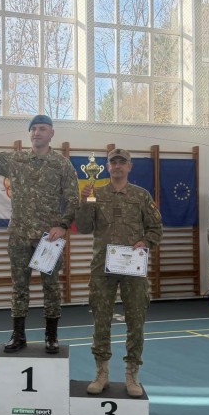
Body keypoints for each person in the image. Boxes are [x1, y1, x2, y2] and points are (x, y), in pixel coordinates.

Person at [0, 112, 79, 353]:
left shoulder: (62, 164)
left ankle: (51, 336)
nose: (37, 132)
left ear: (51, 133)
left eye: (42, 128)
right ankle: (18, 335)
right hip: (19, 235)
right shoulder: (16, 159)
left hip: (48, 238)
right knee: (19, 287)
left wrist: (63, 225)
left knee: (51, 288)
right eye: (33, 129)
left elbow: (73, 198)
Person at [75, 148, 163, 397]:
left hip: (132, 267)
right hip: (102, 267)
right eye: (113, 162)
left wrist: (145, 242)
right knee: (101, 320)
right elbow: (83, 227)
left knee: (135, 321)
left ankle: (132, 373)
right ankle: (101, 373)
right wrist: (84, 202)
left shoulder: (141, 195)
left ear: (129, 167)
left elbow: (156, 228)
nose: (117, 166)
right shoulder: (96, 194)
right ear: (107, 167)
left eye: (122, 163)